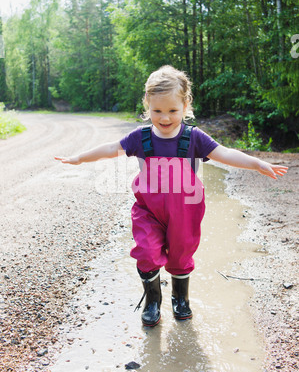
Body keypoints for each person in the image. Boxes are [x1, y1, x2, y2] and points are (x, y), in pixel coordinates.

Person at [55, 65, 288, 328]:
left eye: (172, 111)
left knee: (180, 255)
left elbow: (225, 153)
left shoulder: (194, 138)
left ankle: (180, 298)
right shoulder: (140, 138)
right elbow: (111, 148)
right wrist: (79, 158)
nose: (164, 118)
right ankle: (153, 300)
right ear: (147, 105)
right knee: (146, 252)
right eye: (157, 111)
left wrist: (256, 163)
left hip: (185, 211)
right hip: (148, 211)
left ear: (186, 105)